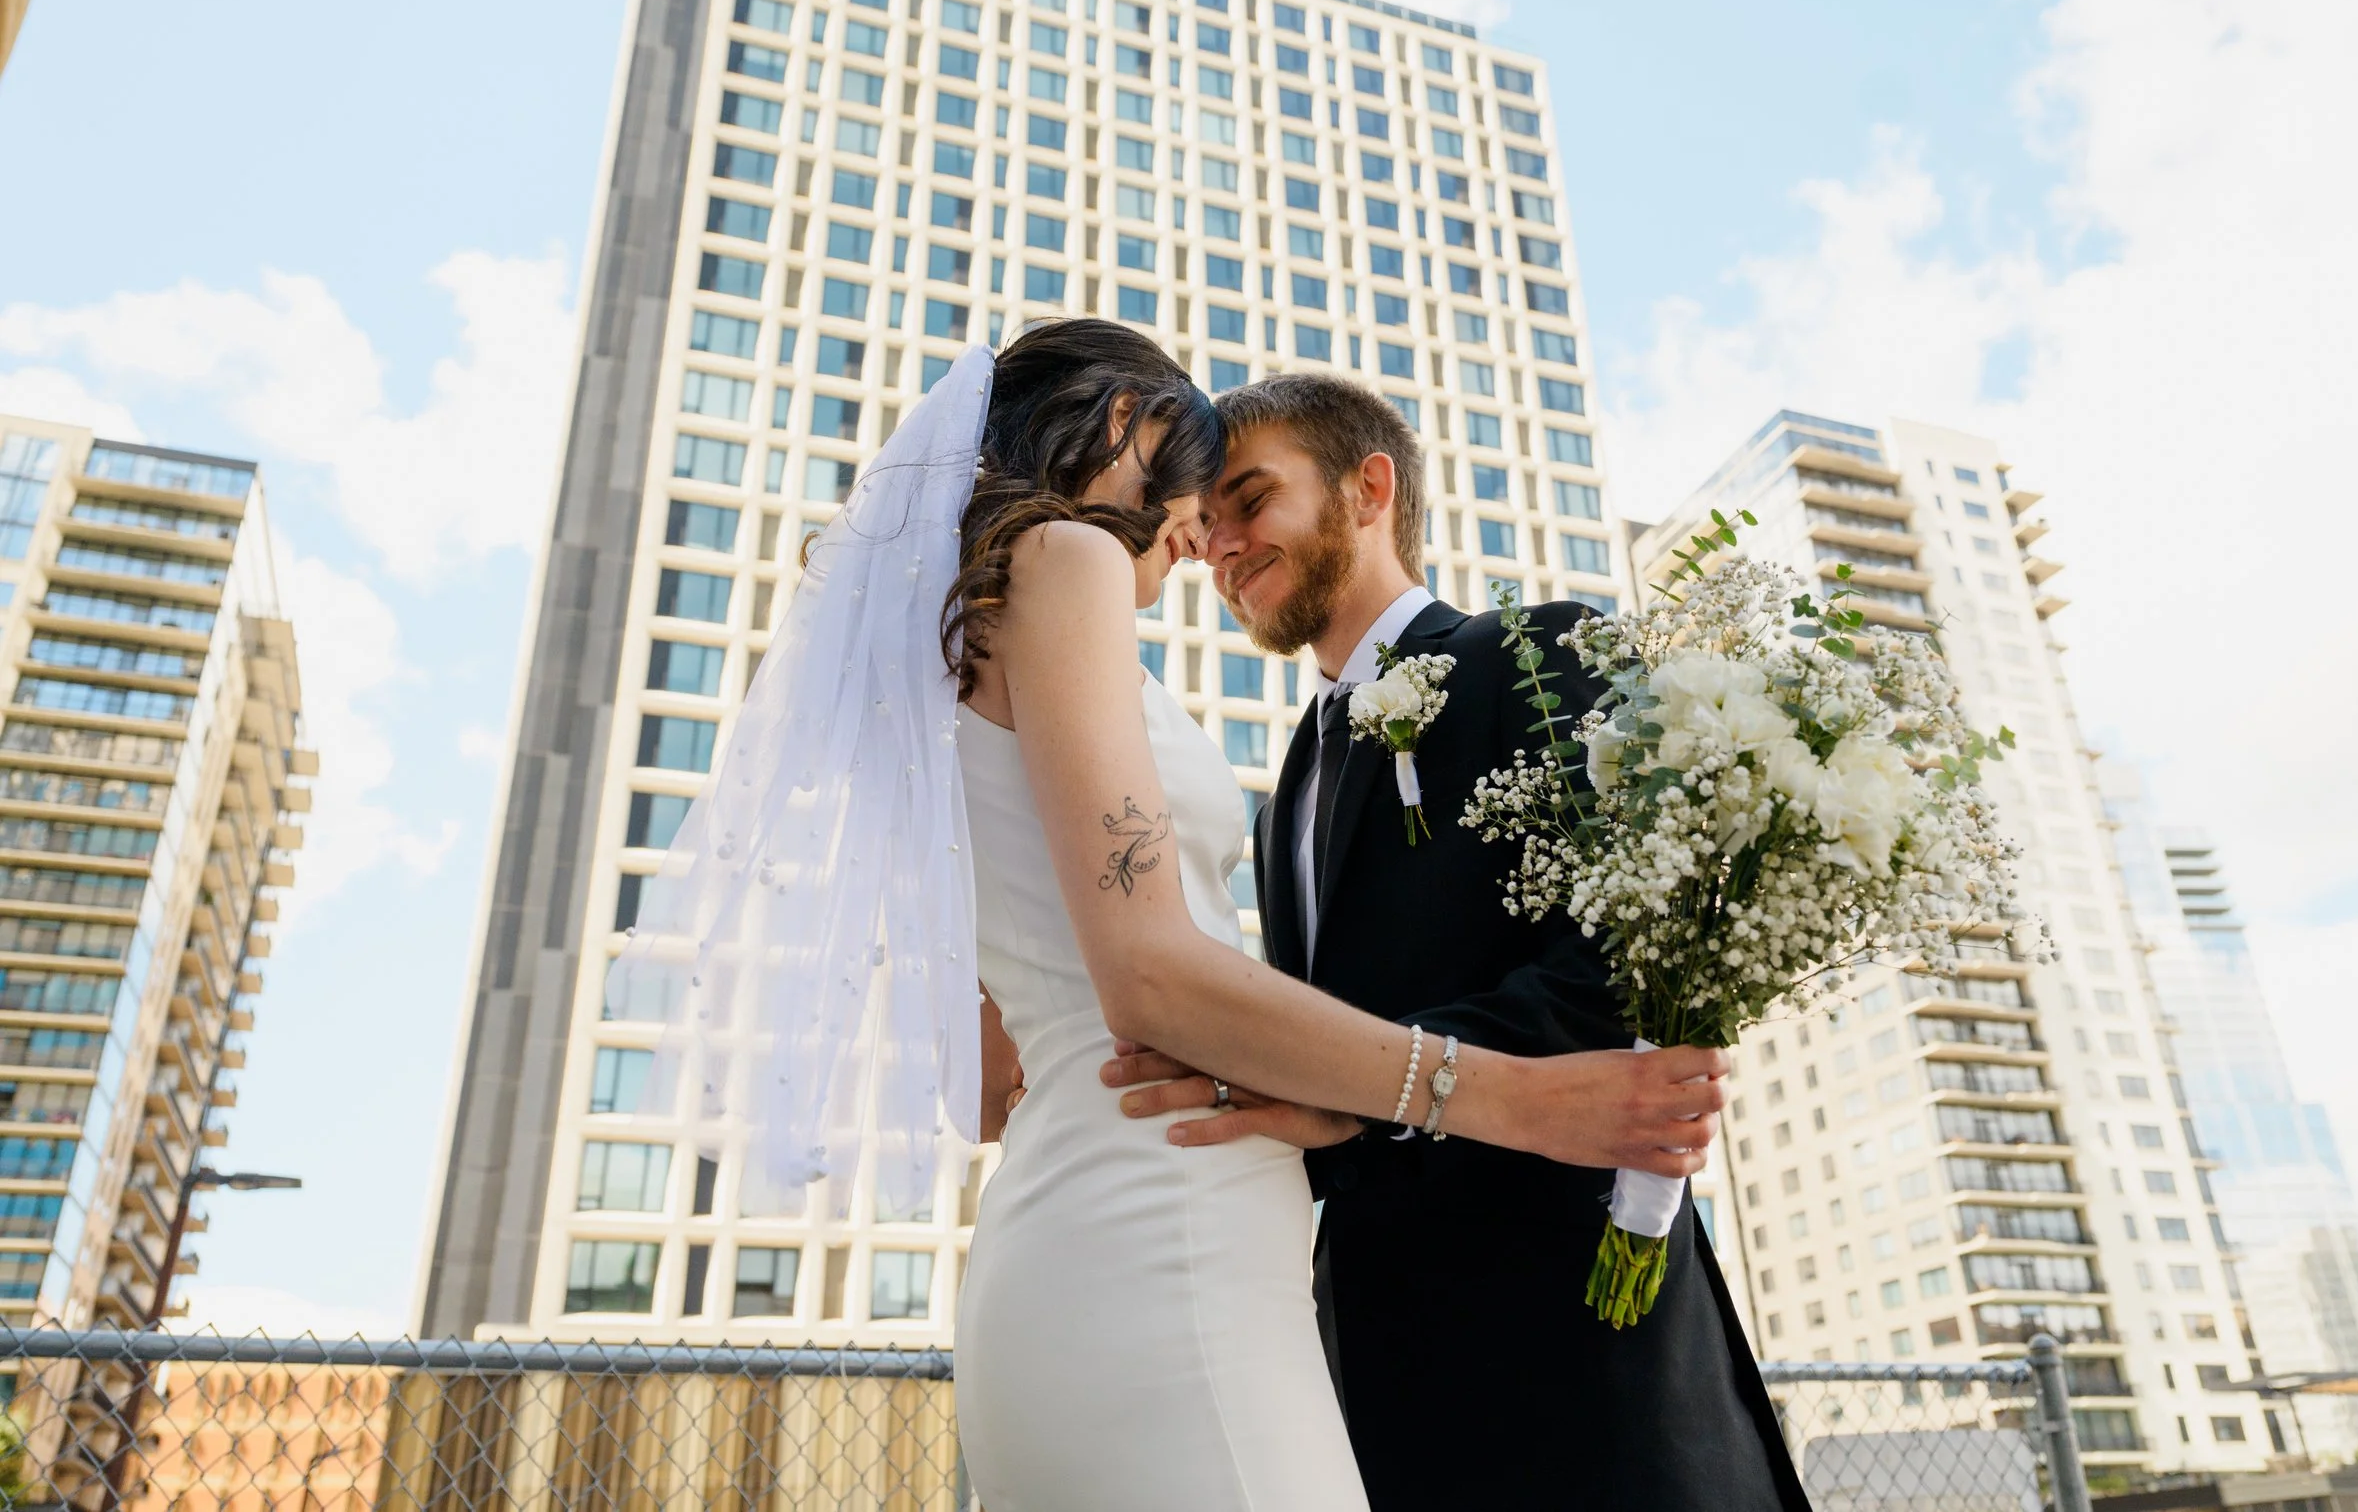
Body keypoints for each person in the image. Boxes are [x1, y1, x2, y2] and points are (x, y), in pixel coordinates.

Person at [610, 322, 1728, 1512]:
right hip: (1161, 1226)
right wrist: (1508, 1093)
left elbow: (999, 1058)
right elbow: (1145, 974)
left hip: (1132, 1219)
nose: (1197, 529)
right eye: (1186, 472)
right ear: (1115, 429)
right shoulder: (1067, 560)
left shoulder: (959, 635)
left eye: (1235, 490)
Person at [1104, 371, 1813, 1511]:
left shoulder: (1542, 654)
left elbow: (1620, 963)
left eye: (1250, 499)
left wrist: (1362, 1094)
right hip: (1382, 1359)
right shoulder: (1286, 787)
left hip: (1580, 1338)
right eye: (1208, 518)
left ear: (1367, 489)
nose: (1219, 545)